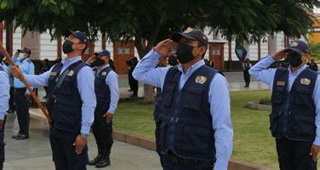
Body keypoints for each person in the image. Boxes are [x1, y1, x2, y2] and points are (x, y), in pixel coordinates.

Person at [133, 29, 233, 170]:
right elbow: (139, 73)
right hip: (169, 159)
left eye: (187, 43)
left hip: (197, 162)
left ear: (201, 50)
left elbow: (222, 127)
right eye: (180, 42)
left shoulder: (215, 80)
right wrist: (156, 53)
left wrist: (221, 167)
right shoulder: (168, 74)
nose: (181, 46)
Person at [11, 30, 96, 170]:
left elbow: (89, 103)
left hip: (72, 129)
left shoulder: (84, 71)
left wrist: (84, 134)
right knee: (60, 165)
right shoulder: (58, 67)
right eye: (68, 37)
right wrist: (21, 75)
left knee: (75, 166)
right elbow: (39, 80)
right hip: (56, 126)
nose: (68, 40)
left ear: (81, 46)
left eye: (72, 39)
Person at [249, 40, 320, 169]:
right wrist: (273, 57)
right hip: (282, 134)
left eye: (296, 53)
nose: (292, 56)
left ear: (306, 56)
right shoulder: (277, 74)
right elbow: (253, 71)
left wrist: (318, 140)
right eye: (290, 53)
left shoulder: (315, 78)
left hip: (304, 136)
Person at [86, 50, 119, 168]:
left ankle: (106, 157)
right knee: (97, 133)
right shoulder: (94, 71)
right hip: (94, 109)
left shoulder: (110, 74)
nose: (98, 58)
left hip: (104, 109)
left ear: (107, 58)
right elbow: (82, 72)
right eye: (97, 57)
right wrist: (88, 62)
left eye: (100, 56)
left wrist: (111, 110)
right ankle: (100, 155)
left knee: (105, 134)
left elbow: (115, 94)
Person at [11, 47, 35, 140]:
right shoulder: (18, 62)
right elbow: (10, 64)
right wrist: (15, 55)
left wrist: (29, 92)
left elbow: (32, 78)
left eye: (23, 53)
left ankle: (25, 133)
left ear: (27, 54)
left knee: (24, 112)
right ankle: (20, 131)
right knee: (19, 112)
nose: (21, 54)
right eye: (21, 52)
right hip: (16, 90)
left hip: (24, 91)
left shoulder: (29, 64)